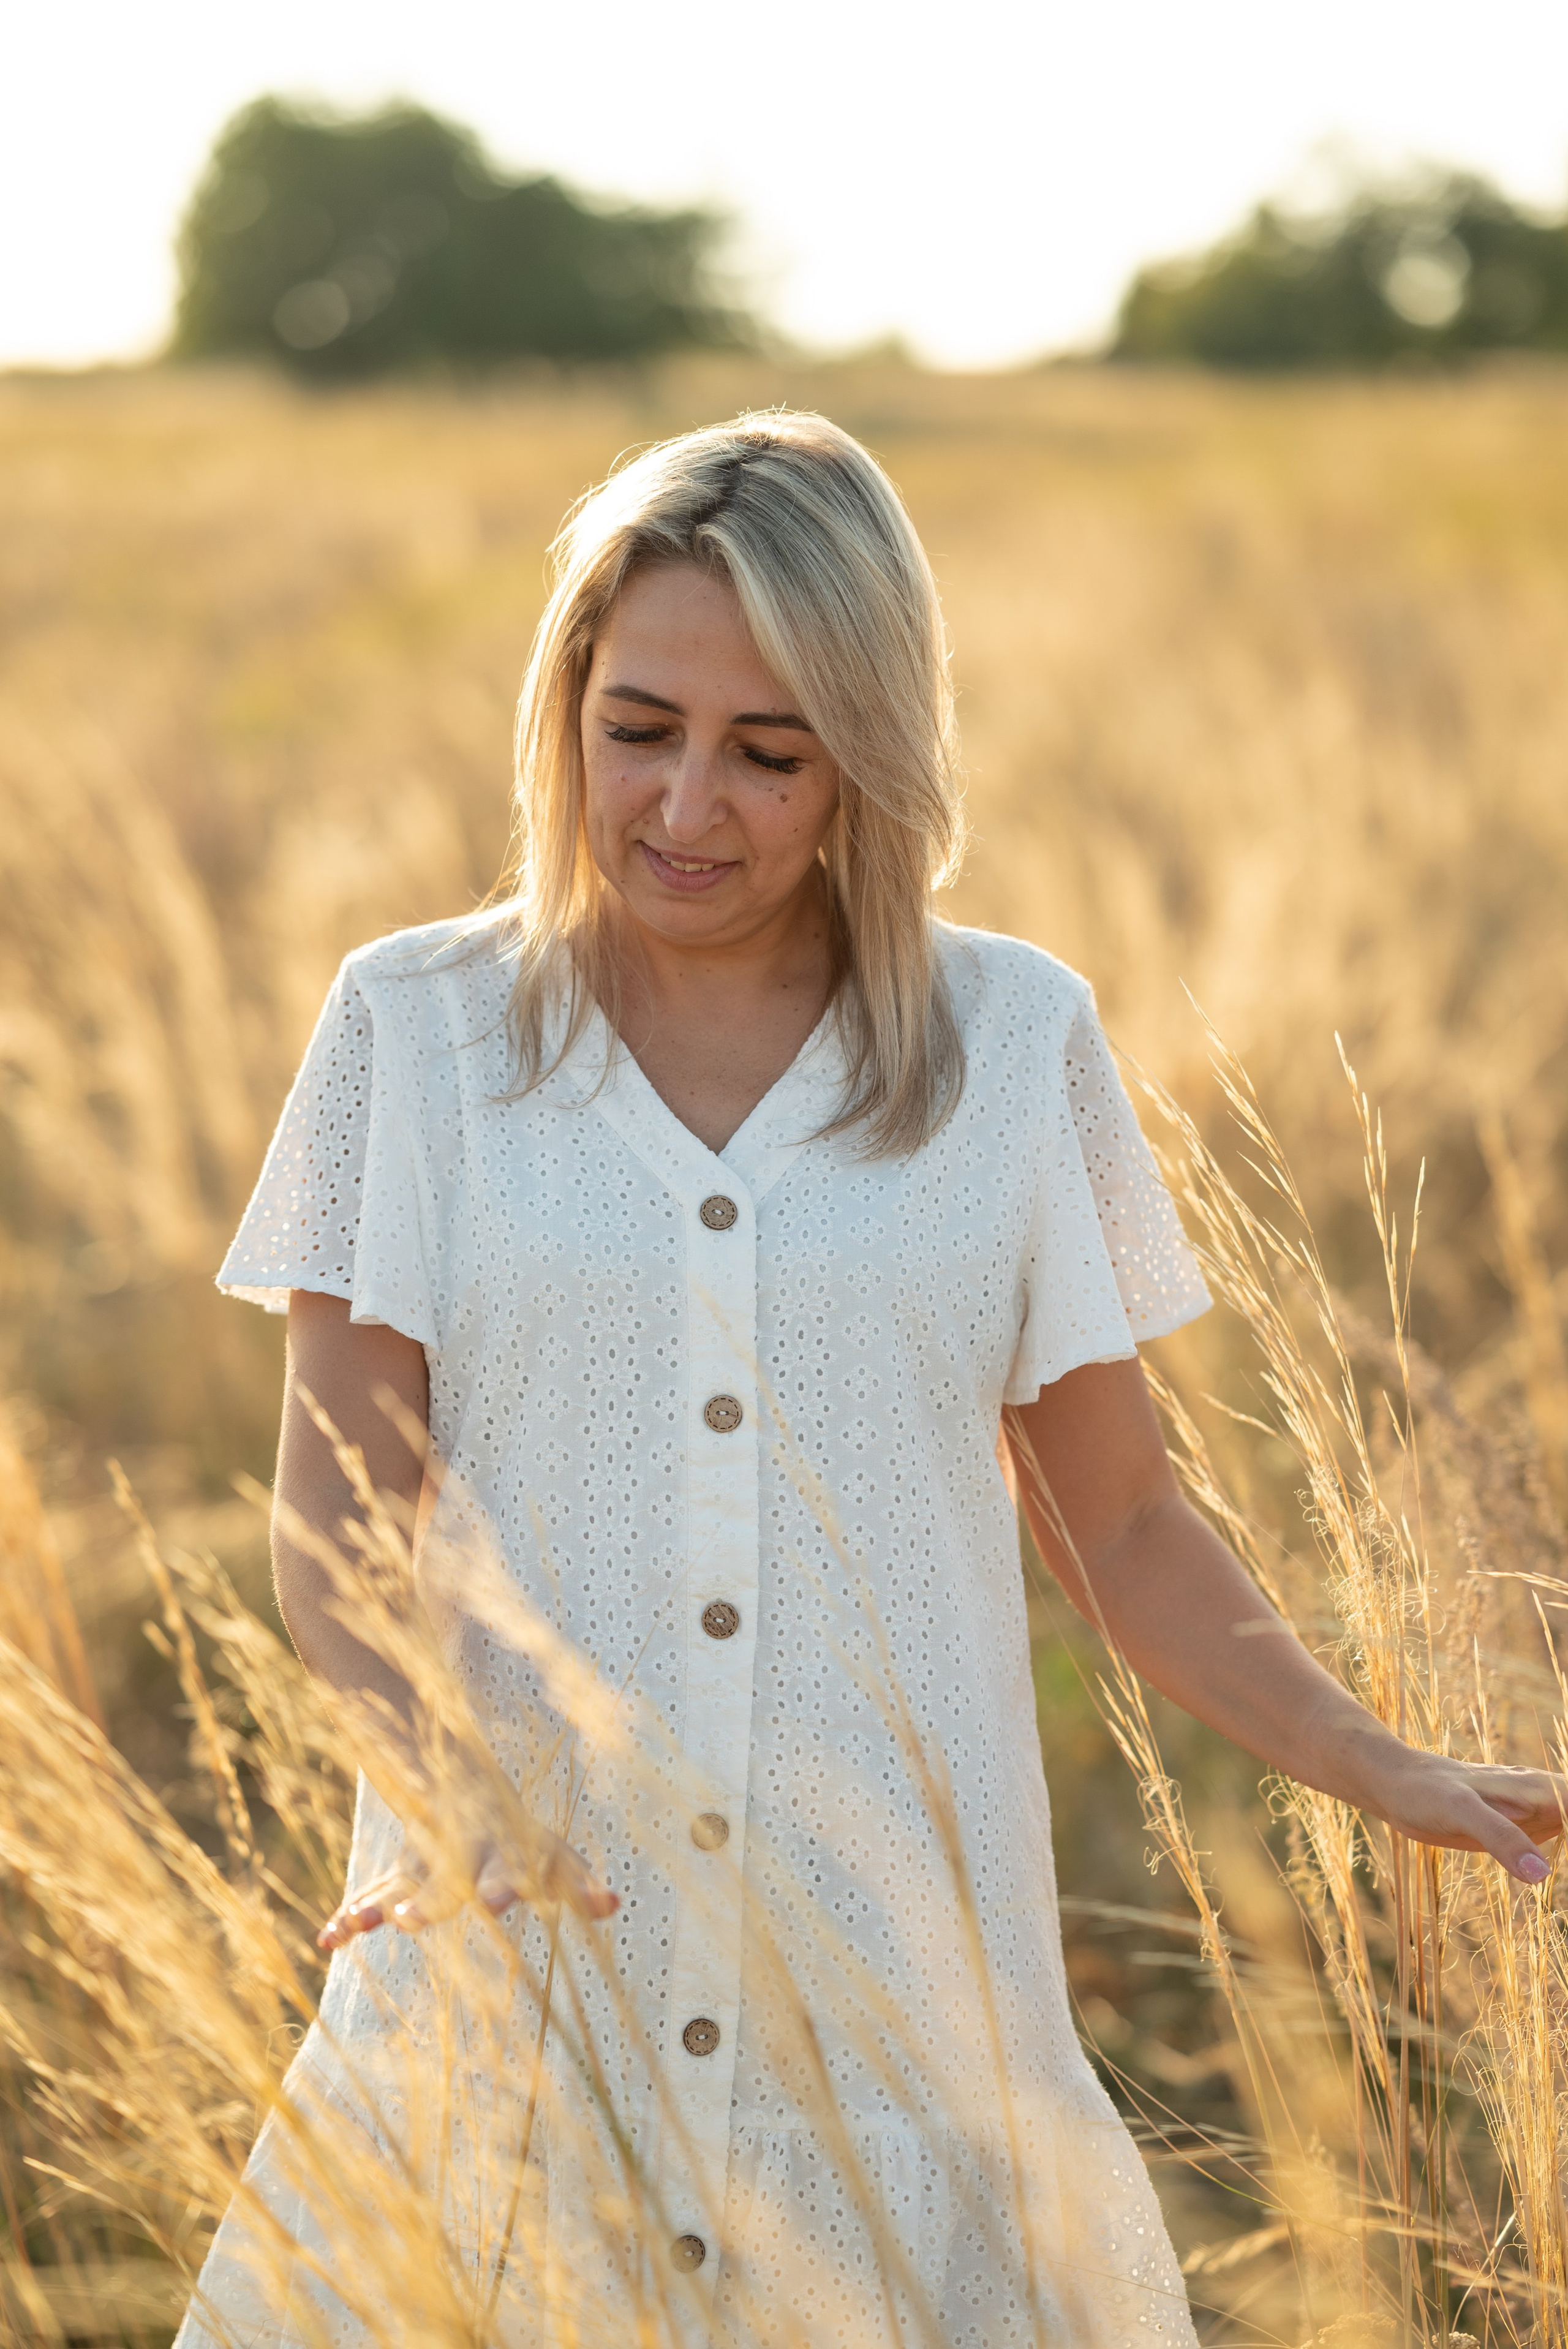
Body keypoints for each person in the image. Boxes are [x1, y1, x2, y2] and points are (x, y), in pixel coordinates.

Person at [178, 412, 1562, 2349]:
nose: (687, 804)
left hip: (897, 2021)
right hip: (513, 1983)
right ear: (564, 701)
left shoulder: (1013, 1041)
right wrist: (450, 1789)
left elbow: (1130, 1521)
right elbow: (341, 1512)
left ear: (873, 762)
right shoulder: (415, 1032)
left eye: (771, 751)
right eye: (639, 724)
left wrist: (1381, 1761)